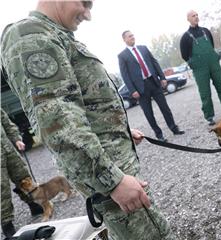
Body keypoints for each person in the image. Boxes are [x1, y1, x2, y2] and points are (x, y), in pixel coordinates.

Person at [1, 1, 174, 239]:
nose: (88, 14)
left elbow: (83, 104)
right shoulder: (30, 36)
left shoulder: (56, 33)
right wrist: (112, 182)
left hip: (113, 172)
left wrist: (117, 128)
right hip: (111, 180)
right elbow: (59, 123)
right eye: (84, 3)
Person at [118, 31, 184, 141]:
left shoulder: (143, 48)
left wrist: (162, 77)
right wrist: (132, 90)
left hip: (153, 82)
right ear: (124, 39)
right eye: (130, 36)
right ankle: (159, 135)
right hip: (140, 88)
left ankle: (174, 129)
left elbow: (154, 62)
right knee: (149, 113)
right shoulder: (122, 56)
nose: (132, 37)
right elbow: (125, 75)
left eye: (133, 35)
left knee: (165, 108)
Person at [180, 10, 221, 126]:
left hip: (213, 64)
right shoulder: (185, 37)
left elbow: (212, 46)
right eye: (193, 16)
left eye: (197, 15)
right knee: (205, 93)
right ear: (188, 19)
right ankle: (209, 116)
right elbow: (184, 55)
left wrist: (213, 57)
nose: (196, 17)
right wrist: (194, 63)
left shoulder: (205, 31)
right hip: (199, 69)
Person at [1, 108, 43, 239]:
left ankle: (33, 204)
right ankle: (6, 222)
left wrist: (16, 139)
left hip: (7, 149)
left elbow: (6, 122)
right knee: (2, 188)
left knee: (23, 176)